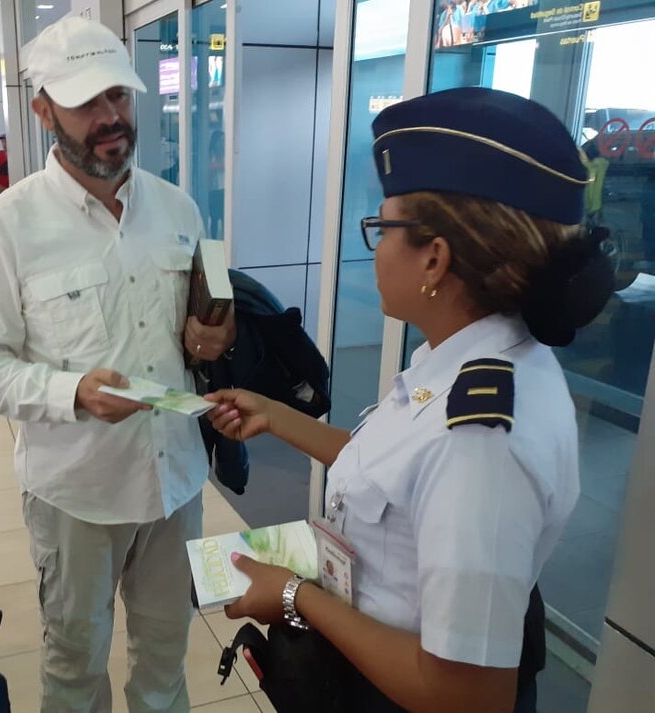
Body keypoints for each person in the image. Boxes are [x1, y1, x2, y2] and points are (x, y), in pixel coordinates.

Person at [204, 87, 614, 713]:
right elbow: (400, 480)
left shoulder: (482, 439)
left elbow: (466, 695)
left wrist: (292, 595)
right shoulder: (466, 357)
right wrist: (279, 418)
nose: (374, 246)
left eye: (382, 226)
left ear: (434, 257)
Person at [0, 16, 236, 713]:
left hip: (175, 482)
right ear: (42, 107)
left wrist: (210, 342)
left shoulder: (178, 209)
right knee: (75, 667)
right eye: (86, 101)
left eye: (120, 96)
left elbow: (203, 330)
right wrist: (70, 391)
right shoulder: (5, 228)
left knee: (165, 660)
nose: (111, 117)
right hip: (75, 491)